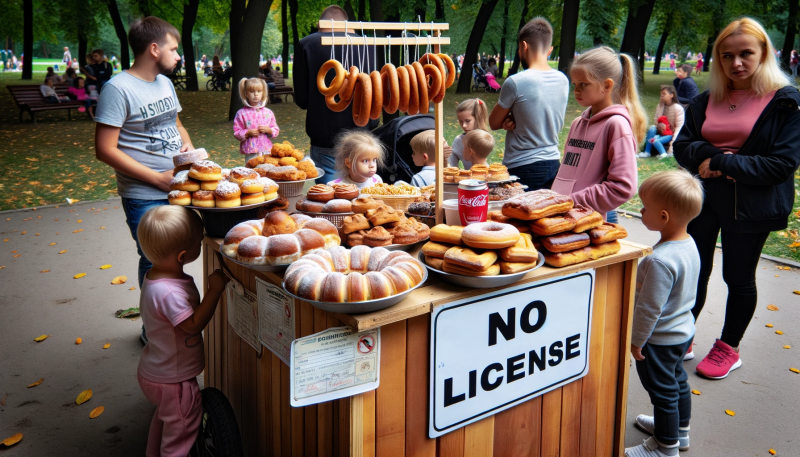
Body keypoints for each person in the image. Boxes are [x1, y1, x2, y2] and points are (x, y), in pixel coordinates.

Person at [673, 17, 800, 379]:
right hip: (703, 198)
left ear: (765, 53)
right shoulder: (706, 99)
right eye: (727, 56)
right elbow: (683, 147)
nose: (736, 63)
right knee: (694, 272)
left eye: (746, 53)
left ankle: (729, 346)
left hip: (752, 204)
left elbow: (780, 164)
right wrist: (714, 158)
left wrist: (720, 161)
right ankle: (684, 334)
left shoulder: (786, 102)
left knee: (738, 276)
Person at [94, 16, 195, 344]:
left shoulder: (165, 83)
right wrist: (156, 179)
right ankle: (153, 331)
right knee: (155, 260)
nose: (178, 55)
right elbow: (104, 149)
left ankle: (174, 316)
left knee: (178, 255)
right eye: (173, 48)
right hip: (143, 193)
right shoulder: (117, 89)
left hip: (176, 185)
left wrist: (189, 147)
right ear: (154, 49)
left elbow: (176, 123)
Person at [135, 205, 229, 457]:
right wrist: (215, 290)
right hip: (174, 381)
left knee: (166, 419)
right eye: (200, 243)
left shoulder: (155, 277)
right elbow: (192, 325)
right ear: (183, 255)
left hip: (155, 371)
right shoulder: (169, 293)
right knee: (182, 430)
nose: (202, 245)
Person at [625, 170, 703, 457]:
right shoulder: (688, 244)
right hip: (682, 332)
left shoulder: (659, 260)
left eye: (645, 207)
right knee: (677, 381)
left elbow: (649, 307)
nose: (641, 211)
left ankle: (664, 446)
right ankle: (679, 431)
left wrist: (637, 341)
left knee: (662, 391)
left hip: (658, 339)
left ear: (664, 217)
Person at [550, 46, 644, 223]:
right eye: (575, 84)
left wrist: (572, 202)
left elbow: (623, 187)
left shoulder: (616, 125)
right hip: (559, 218)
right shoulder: (578, 123)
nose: (576, 91)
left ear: (607, 85)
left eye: (583, 84)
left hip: (587, 224)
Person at [294, 5, 380, 184]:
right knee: (363, 200)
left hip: (324, 136)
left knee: (332, 204)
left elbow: (302, 100)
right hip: (362, 136)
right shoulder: (368, 44)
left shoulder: (307, 44)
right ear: (347, 24)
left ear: (320, 25)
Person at [488, 18, 569, 191]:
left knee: (521, 217)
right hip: (554, 163)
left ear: (523, 46)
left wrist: (509, 117)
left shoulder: (516, 82)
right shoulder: (563, 80)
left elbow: (493, 123)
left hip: (522, 166)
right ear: (550, 50)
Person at [233, 77, 280, 165]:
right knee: (252, 173)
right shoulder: (242, 113)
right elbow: (237, 132)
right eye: (252, 92)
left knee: (267, 172)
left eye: (259, 91)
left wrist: (269, 130)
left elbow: (275, 129)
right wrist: (248, 133)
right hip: (251, 151)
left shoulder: (268, 113)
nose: (256, 95)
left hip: (266, 150)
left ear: (263, 93)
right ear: (246, 93)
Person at [640, 85, 684, 159]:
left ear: (671, 95)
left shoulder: (678, 108)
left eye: (664, 94)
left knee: (656, 140)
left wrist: (672, 145)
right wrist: (658, 125)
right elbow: (656, 121)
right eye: (661, 94)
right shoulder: (660, 106)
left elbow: (679, 128)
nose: (661, 95)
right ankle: (647, 152)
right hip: (661, 132)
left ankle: (663, 153)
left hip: (671, 134)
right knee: (652, 128)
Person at [449, 98, 489, 169]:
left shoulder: (485, 138)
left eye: (467, 121)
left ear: (477, 118)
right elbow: (452, 167)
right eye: (460, 121)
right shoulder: (459, 140)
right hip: (468, 179)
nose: (464, 125)